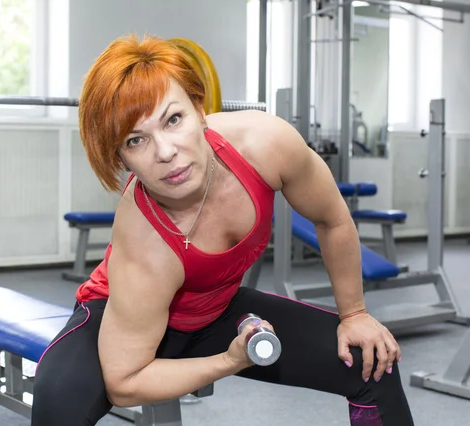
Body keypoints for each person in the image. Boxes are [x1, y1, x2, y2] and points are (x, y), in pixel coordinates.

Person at [31, 34, 415, 426]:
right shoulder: (144, 236)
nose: (165, 152)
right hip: (118, 315)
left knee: (372, 359)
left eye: (173, 119)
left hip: (216, 310)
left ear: (199, 109)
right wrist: (229, 361)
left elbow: (332, 219)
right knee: (58, 405)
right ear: (122, 158)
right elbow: (125, 382)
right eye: (136, 140)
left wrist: (355, 314)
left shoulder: (266, 144)